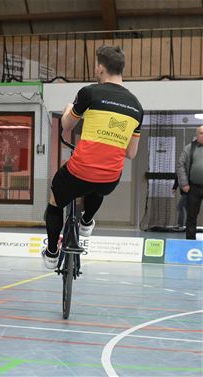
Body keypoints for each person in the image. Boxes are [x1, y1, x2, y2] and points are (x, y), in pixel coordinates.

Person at [42, 45, 144, 269]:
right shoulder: (137, 107)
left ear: (100, 67)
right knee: (99, 185)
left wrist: (69, 108)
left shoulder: (89, 92)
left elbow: (67, 126)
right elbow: (131, 153)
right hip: (110, 178)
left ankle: (51, 253)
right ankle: (87, 221)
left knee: (55, 199)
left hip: (80, 171)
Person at [176, 125, 203, 240]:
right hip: (193, 187)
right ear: (197, 135)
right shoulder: (189, 148)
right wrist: (184, 183)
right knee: (191, 216)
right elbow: (180, 165)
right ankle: (190, 243)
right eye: (201, 133)